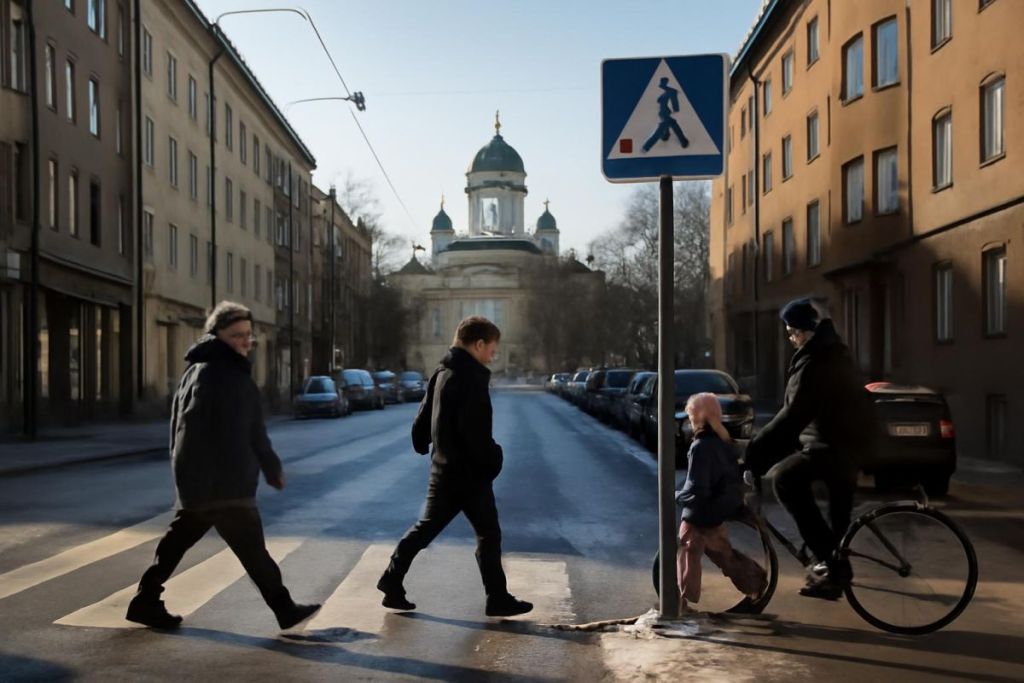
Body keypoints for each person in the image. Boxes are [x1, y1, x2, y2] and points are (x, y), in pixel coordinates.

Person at [126, 301, 320, 630]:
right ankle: (284, 608)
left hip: (203, 482)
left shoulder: (201, 369)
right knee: (252, 549)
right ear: (217, 335)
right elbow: (245, 429)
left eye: (247, 334)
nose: (245, 341)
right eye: (236, 335)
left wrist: (189, 476)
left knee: (179, 543)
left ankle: (145, 600)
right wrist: (268, 467)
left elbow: (184, 428)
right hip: (223, 482)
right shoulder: (221, 374)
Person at [377, 316, 532, 618]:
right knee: (487, 534)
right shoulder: (471, 377)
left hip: (445, 468)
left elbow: (424, 416)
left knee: (428, 529)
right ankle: (496, 598)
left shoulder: (442, 371)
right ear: (479, 344)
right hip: (468, 473)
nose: (492, 357)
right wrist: (495, 458)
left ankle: (392, 579)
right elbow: (476, 433)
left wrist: (423, 443)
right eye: (492, 350)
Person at [744, 298, 876, 600]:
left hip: (834, 446)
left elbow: (792, 417)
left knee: (786, 479)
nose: (791, 339)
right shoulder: (832, 352)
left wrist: (754, 455)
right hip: (850, 443)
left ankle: (832, 565)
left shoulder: (815, 363)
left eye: (793, 332)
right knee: (836, 519)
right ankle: (832, 572)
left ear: (808, 331)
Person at [676, 393, 767, 614]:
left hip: (705, 510)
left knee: (687, 547)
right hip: (722, 506)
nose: (690, 422)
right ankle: (754, 581)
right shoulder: (723, 441)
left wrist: (677, 496)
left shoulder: (700, 446)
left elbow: (698, 488)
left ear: (698, 418)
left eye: (691, 417)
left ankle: (681, 602)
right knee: (721, 552)